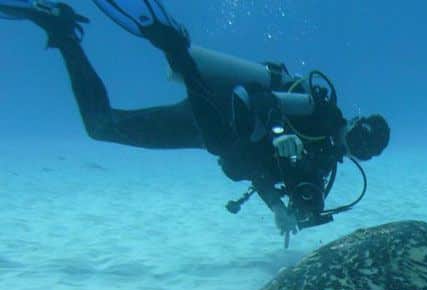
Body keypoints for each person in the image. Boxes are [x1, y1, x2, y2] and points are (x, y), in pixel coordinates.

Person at [0, 0, 390, 246]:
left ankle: (63, 32)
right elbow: (260, 99)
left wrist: (278, 207)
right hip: (225, 111)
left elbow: (260, 172)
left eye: (366, 150)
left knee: (101, 127)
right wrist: (278, 132)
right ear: (354, 120)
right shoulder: (318, 110)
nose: (357, 144)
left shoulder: (323, 165)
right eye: (361, 135)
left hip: (207, 130)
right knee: (225, 145)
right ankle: (177, 51)